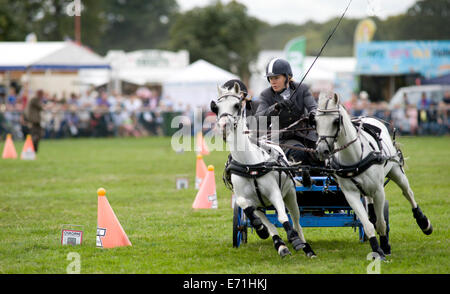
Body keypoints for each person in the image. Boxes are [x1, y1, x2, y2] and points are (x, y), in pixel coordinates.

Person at [255, 58, 318, 187]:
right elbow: (258, 118)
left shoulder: (302, 89)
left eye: (276, 77)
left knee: (323, 151)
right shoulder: (266, 95)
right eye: (270, 78)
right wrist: (275, 108)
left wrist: (313, 114)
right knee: (299, 152)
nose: (273, 81)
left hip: (307, 135)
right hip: (284, 139)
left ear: (287, 77)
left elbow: (313, 107)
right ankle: (301, 179)